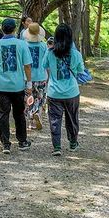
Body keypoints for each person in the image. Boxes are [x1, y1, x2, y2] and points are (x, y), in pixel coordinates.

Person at [0, 17, 33, 154]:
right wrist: (29, 83)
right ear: (15, 29)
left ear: (2, 29)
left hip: (0, 85)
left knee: (3, 114)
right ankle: (22, 141)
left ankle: (6, 144)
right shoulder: (22, 44)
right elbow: (27, 66)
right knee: (19, 114)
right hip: (17, 85)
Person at [42, 22, 86, 155]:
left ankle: (57, 147)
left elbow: (44, 65)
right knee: (72, 118)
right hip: (72, 92)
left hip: (54, 92)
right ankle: (73, 143)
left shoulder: (50, 53)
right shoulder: (76, 54)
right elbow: (80, 70)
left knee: (55, 119)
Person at [23, 22, 49, 130]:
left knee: (29, 98)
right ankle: (37, 112)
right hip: (41, 76)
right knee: (39, 97)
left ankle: (29, 121)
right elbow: (46, 62)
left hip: (27, 77)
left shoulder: (24, 45)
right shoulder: (43, 45)